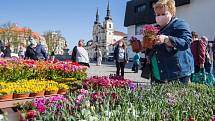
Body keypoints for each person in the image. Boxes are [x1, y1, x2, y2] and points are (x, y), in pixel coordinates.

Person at [150, 0, 194, 84]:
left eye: (163, 14)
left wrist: (167, 39)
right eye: (157, 14)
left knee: (177, 96)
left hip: (177, 73)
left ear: (172, 13)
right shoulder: (155, 29)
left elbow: (186, 42)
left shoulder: (180, 24)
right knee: (159, 96)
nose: (160, 17)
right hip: (158, 73)